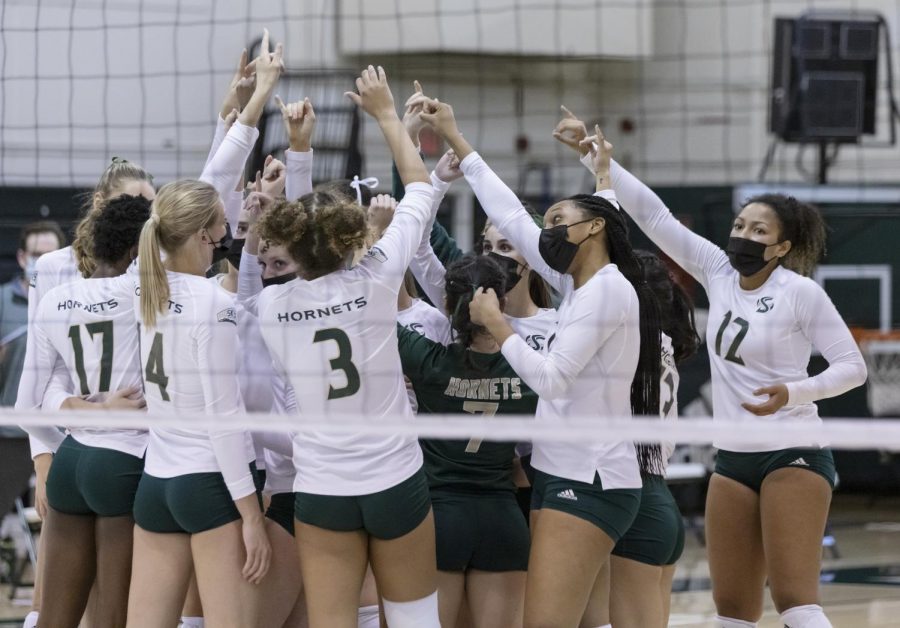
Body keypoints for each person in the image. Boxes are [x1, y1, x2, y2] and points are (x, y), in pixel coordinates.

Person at [557, 107, 867, 628]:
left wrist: (793, 392)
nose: (742, 234)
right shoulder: (719, 272)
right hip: (733, 460)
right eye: (739, 224)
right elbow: (654, 218)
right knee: (733, 611)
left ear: (782, 247)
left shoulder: (801, 294)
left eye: (758, 229)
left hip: (793, 453)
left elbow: (852, 367)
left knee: (796, 601)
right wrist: (596, 159)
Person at [421, 98, 663, 627]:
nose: (545, 231)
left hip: (590, 478)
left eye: (558, 220)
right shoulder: (582, 283)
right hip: (564, 472)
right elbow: (508, 211)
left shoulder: (605, 292)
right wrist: (457, 138)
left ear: (593, 229)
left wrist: (500, 325)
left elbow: (552, 382)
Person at [255, 65, 440, 628]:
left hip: (322, 487)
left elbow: (309, 251)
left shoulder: (272, 307)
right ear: (349, 240)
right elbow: (423, 188)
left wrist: (298, 154)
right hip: (393, 480)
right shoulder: (378, 277)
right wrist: (386, 115)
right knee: (414, 621)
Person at [125, 30, 282, 628]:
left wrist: (241, 108)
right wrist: (249, 513)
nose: (229, 236)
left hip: (155, 485)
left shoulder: (145, 284)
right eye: (222, 230)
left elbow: (202, 188)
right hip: (206, 486)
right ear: (202, 236)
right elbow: (224, 420)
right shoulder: (210, 306)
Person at [24, 195, 151, 628]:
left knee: (52, 619)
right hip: (123, 461)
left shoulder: (54, 299)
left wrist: (79, 421)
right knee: (111, 618)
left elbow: (28, 408)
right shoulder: (144, 294)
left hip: (71, 463)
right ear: (139, 249)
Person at [398, 253, 537, 627]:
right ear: (502, 302)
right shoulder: (532, 370)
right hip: (503, 519)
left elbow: (372, 310)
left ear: (446, 305)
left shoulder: (428, 361)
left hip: (440, 517)